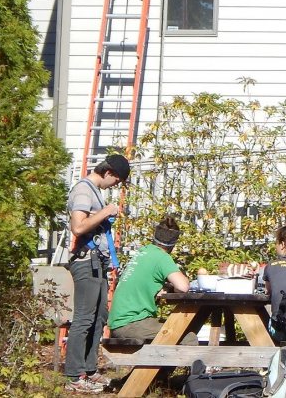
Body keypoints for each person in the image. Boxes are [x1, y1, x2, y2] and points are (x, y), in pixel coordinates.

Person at [64, 154, 130, 393]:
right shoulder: (83, 190)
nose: (115, 186)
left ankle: (89, 370)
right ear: (109, 173)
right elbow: (78, 227)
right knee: (83, 318)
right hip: (85, 262)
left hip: (98, 263)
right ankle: (74, 376)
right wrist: (105, 212)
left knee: (99, 317)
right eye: (117, 181)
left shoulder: (94, 191)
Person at [108, 215, 190, 339]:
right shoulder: (161, 256)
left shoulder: (143, 252)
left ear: (154, 238)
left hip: (121, 322)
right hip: (131, 324)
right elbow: (183, 287)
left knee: (175, 333)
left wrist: (165, 287)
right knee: (188, 337)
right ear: (172, 245)